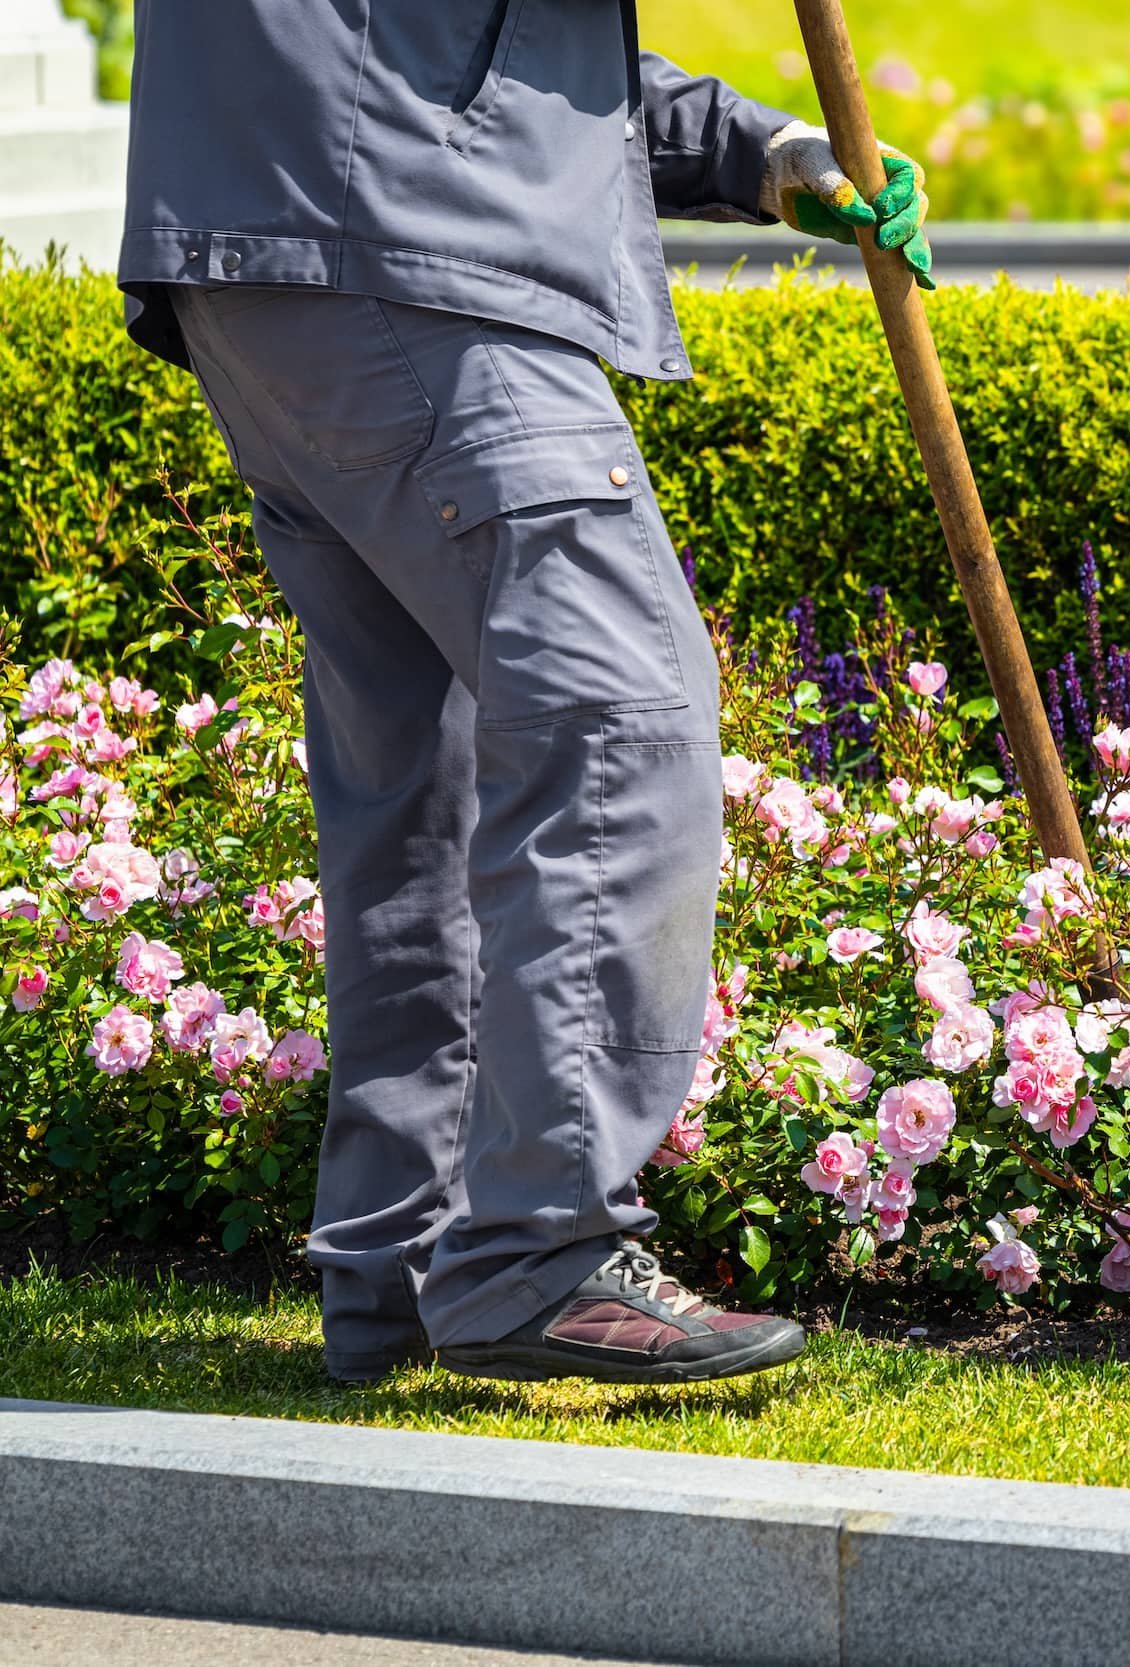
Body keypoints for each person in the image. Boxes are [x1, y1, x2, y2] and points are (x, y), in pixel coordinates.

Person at [114, 0, 931, 1387]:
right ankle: (537, 1253)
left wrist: (758, 149)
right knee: (620, 728)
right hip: (409, 254)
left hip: (294, 248)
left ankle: (399, 1267)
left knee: (413, 798)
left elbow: (474, 42)